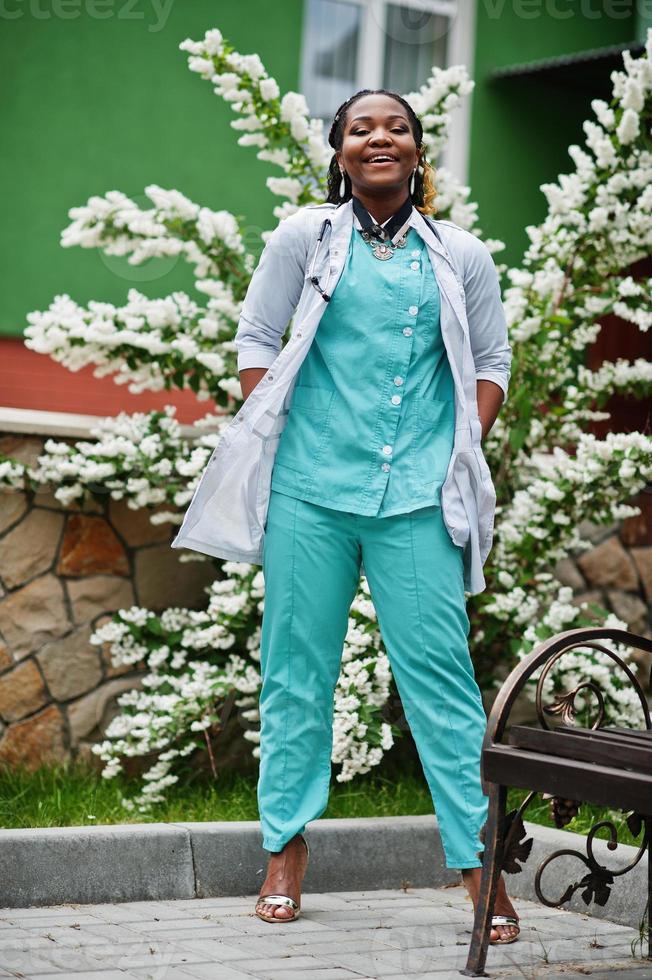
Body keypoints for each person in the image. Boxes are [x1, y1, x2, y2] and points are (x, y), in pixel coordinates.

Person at [173, 86, 519, 944]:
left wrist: (462, 449)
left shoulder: (461, 253)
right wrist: (280, 432)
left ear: (416, 151)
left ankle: (479, 870)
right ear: (338, 150)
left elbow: (494, 360)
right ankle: (284, 853)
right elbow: (257, 338)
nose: (379, 138)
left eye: (396, 128)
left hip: (417, 502)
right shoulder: (304, 237)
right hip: (311, 494)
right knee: (296, 673)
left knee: (441, 684)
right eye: (361, 127)